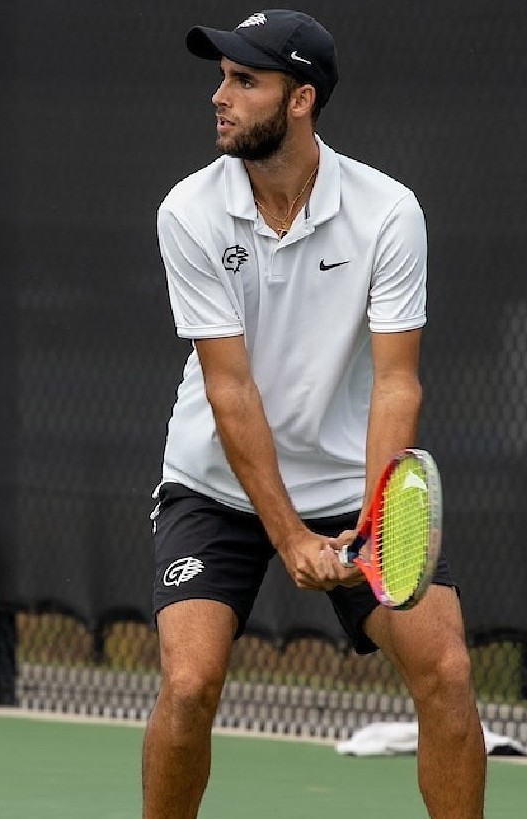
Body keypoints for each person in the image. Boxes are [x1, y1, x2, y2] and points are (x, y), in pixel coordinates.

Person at [141, 9, 486, 819]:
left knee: (446, 671)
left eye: (245, 80)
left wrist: (373, 519)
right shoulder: (188, 211)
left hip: (349, 487)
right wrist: (289, 535)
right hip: (215, 485)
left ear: (300, 99)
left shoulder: (387, 212)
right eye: (222, 78)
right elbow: (230, 389)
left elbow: (396, 383)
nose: (220, 96)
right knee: (189, 684)